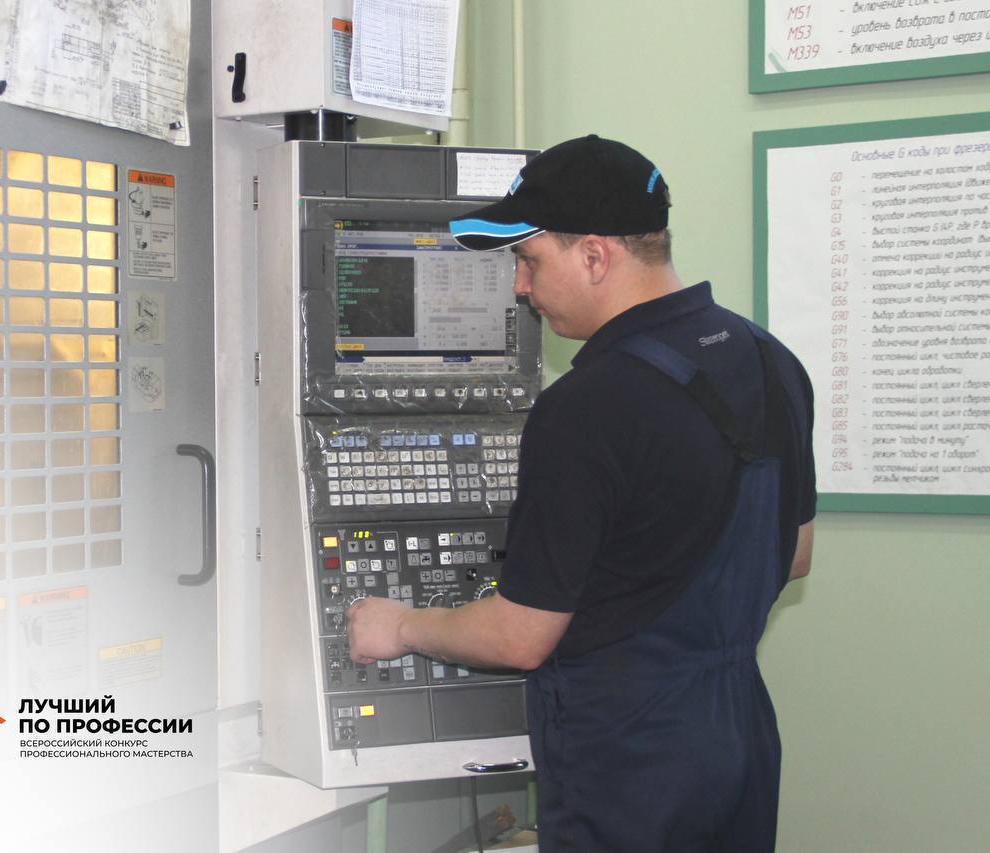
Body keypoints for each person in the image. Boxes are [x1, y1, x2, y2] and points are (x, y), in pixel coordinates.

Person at [346, 134, 816, 852]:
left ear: (595, 255)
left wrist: (402, 624)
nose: (520, 287)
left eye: (530, 261)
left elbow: (520, 637)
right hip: (738, 737)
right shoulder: (771, 359)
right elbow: (794, 554)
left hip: (627, 762)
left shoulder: (585, 406)